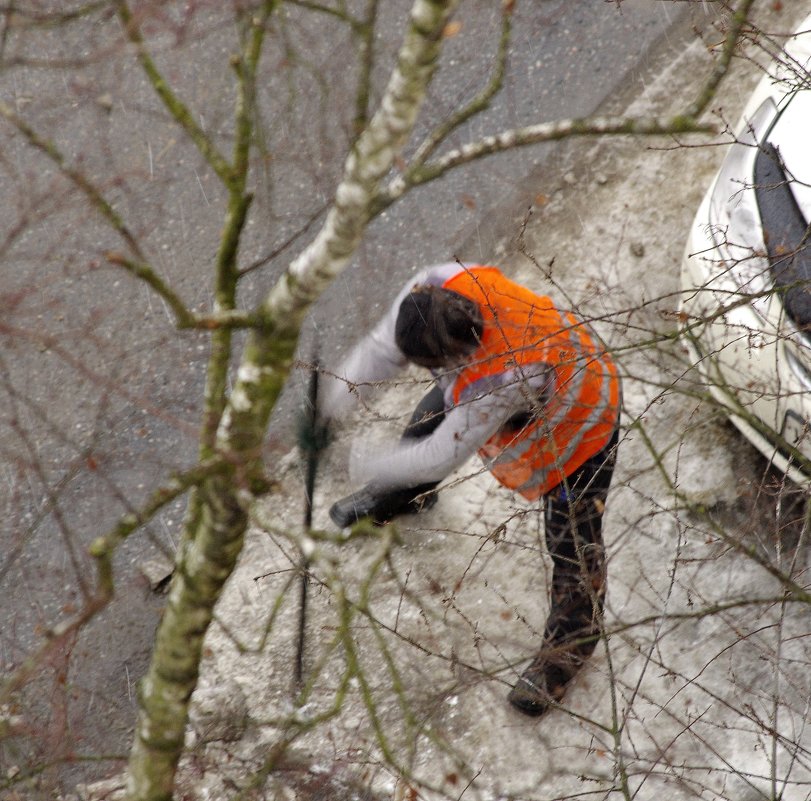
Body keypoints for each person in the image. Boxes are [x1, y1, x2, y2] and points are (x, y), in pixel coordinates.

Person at [318, 262, 621, 716]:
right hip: (510, 377)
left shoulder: (501, 380)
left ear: (455, 356)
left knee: (573, 551)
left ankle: (561, 663)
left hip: (579, 430)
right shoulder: (437, 285)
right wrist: (328, 409)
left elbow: (442, 454)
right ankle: (399, 496)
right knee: (425, 421)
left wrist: (351, 459)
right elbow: (383, 348)